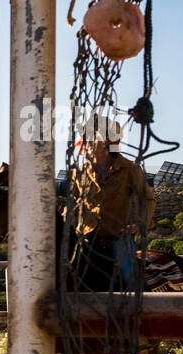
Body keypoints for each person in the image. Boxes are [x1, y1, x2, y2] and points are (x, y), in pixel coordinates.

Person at [67, 113, 156, 292]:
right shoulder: (79, 174)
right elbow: (73, 204)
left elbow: (147, 199)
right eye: (87, 140)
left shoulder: (130, 169)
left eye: (93, 140)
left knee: (129, 277)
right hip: (85, 238)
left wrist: (139, 223)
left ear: (107, 145)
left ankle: (143, 309)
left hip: (118, 237)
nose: (88, 144)